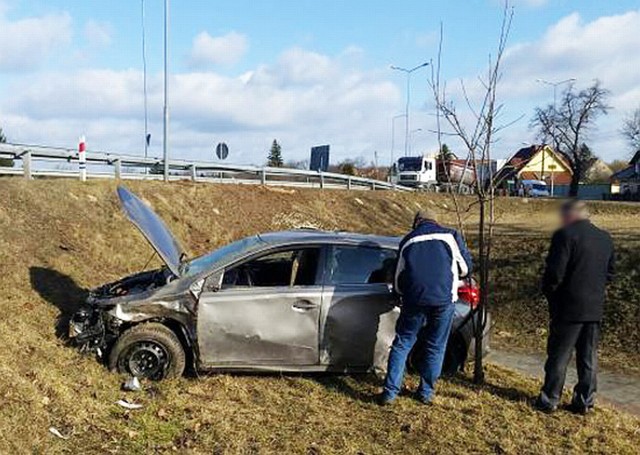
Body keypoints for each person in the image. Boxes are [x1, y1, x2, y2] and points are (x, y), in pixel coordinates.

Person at [378, 209, 472, 405]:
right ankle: (426, 392)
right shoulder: (450, 236)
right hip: (443, 300)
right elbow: (465, 268)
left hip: (414, 299)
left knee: (403, 342)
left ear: (417, 222)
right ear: (436, 221)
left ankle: (390, 393)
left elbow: (397, 278)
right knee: (435, 345)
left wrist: (398, 295)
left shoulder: (408, 240)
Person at [535, 200, 615, 414]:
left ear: (569, 215)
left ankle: (549, 398)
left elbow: (555, 273)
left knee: (559, 355)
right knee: (588, 357)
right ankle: (585, 401)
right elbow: (610, 273)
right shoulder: (605, 238)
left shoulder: (565, 235)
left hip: (568, 306)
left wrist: (551, 295)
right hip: (594, 306)